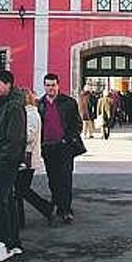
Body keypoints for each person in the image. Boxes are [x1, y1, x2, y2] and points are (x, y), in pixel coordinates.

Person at [0, 70, 26, 262]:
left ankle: (3, 242)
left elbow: (15, 139)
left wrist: (1, 159)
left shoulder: (14, 107)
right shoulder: (6, 104)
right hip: (2, 161)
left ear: (9, 84)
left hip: (6, 163)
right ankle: (14, 243)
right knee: (8, 201)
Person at [38, 73, 83, 224]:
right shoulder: (40, 104)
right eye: (48, 85)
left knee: (65, 178)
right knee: (53, 179)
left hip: (64, 147)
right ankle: (57, 204)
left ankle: (66, 209)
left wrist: (67, 140)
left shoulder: (69, 102)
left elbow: (77, 124)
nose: (50, 88)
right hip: (47, 147)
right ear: (44, 86)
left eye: (53, 85)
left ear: (58, 85)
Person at [13, 88, 53, 227]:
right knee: (20, 190)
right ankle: (20, 219)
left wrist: (14, 136)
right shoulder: (29, 113)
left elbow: (29, 135)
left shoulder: (30, 114)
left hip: (26, 156)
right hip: (26, 156)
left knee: (21, 190)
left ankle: (45, 208)